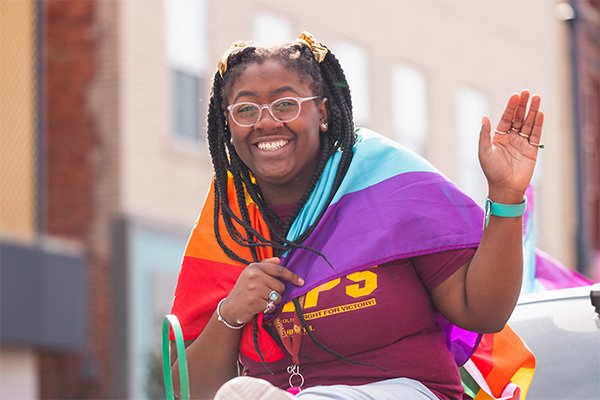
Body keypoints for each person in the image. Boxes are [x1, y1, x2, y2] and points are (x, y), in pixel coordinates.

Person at [169, 32, 544, 400]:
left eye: (285, 104)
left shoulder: (388, 183)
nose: (266, 122)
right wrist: (231, 313)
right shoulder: (230, 225)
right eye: (246, 109)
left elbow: (482, 313)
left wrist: (506, 195)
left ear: (323, 112)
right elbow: (194, 392)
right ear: (228, 126)